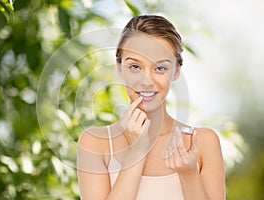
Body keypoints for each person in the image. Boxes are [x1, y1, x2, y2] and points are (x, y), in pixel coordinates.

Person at [77, 15, 225, 200]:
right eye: (135, 67)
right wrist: (137, 151)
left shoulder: (203, 143)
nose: (147, 81)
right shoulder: (95, 143)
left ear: (176, 71)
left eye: (160, 68)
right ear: (119, 68)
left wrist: (189, 175)